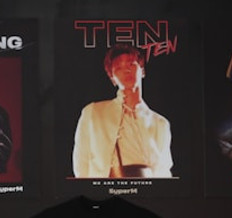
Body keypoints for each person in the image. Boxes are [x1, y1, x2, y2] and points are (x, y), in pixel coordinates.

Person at [72, 43, 173, 178]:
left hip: (147, 187)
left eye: (131, 64)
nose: (126, 70)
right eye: (119, 67)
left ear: (142, 70)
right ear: (112, 79)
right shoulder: (93, 112)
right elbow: (81, 163)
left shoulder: (160, 123)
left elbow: (164, 171)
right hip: (104, 185)